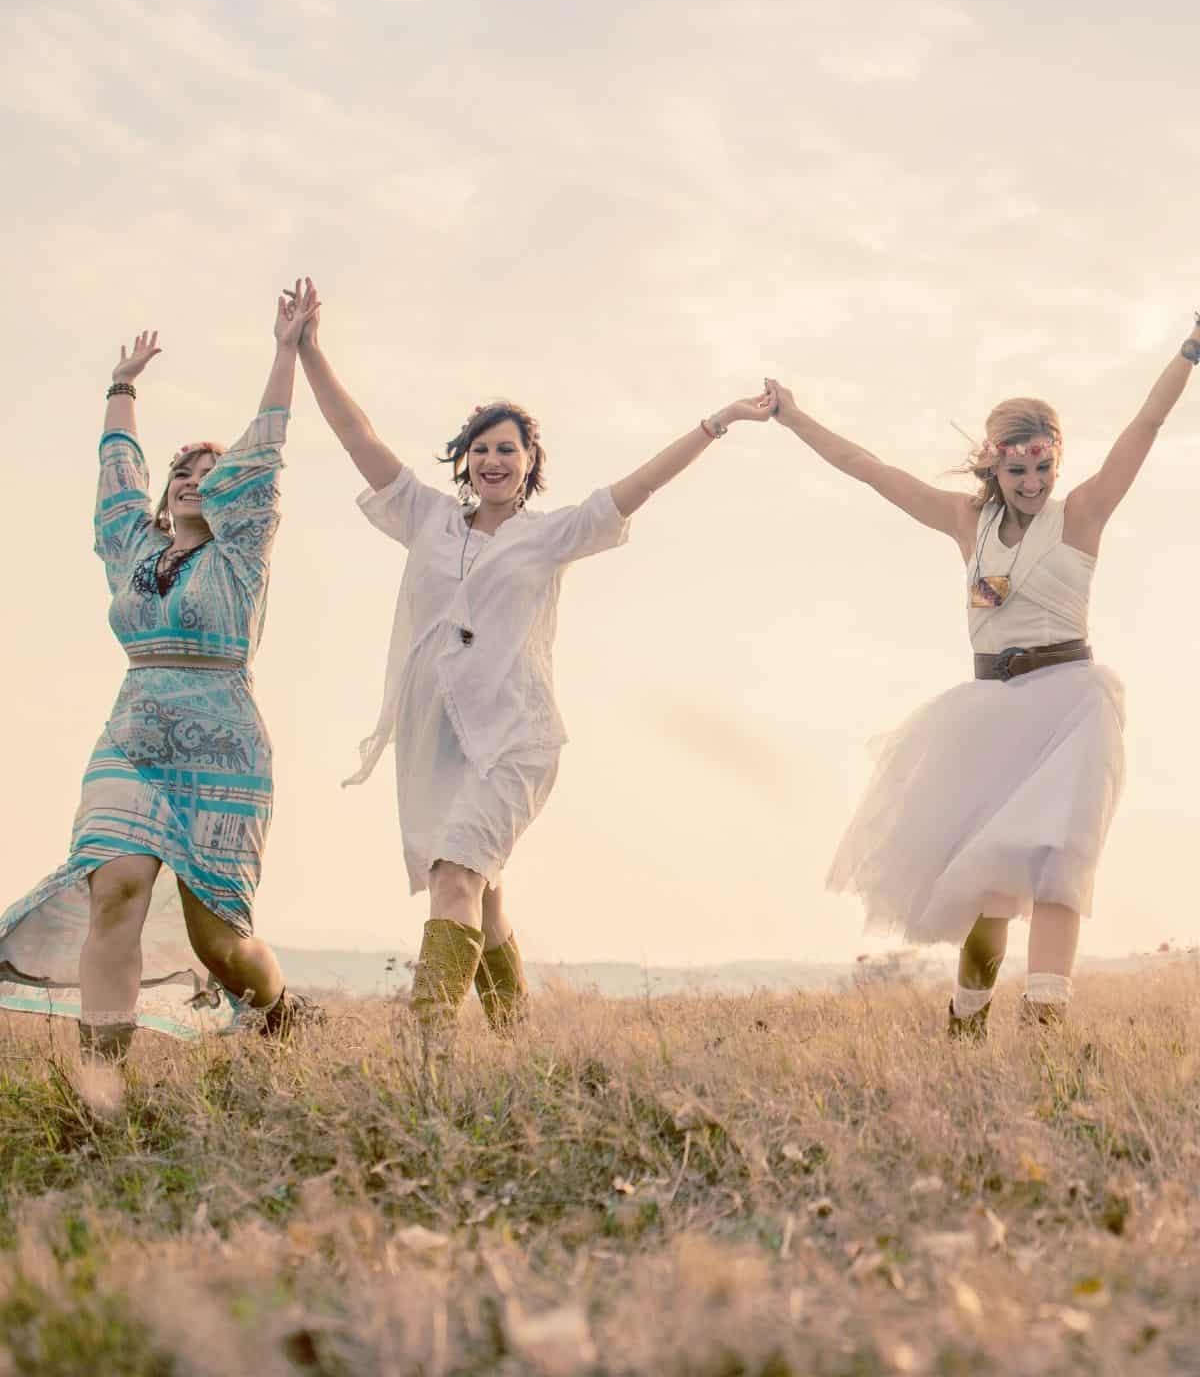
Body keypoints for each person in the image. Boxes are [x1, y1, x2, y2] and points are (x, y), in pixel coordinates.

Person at [289, 276, 773, 1044]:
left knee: (455, 878)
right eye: (479, 449)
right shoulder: (426, 518)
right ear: (464, 461)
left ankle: (427, 1054)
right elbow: (359, 438)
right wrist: (309, 353)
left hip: (513, 738)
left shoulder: (551, 535)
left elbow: (639, 485)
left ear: (529, 460)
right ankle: (519, 1042)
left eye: (506, 449)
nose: (491, 460)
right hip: (435, 740)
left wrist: (716, 422)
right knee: (482, 896)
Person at [766, 312, 1200, 1035]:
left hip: (1071, 702)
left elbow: (1147, 425)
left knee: (1062, 858)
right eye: (1016, 469)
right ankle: (967, 1016)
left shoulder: (1084, 512)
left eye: (1041, 468)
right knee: (990, 884)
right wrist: (796, 417)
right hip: (991, 706)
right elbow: (869, 469)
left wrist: (1189, 350)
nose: (1031, 482)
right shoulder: (968, 524)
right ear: (993, 466)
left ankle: (1045, 1018)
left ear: (1056, 463)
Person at [0, 295, 320, 1067]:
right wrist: (122, 387)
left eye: (213, 475)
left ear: (233, 497)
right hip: (132, 740)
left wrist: (285, 352)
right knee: (116, 886)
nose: (194, 482)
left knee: (221, 943)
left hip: (224, 751)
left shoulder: (241, 552)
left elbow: (267, 448)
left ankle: (280, 1013)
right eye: (184, 470)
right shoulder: (130, 546)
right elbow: (117, 472)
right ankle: (100, 1082)